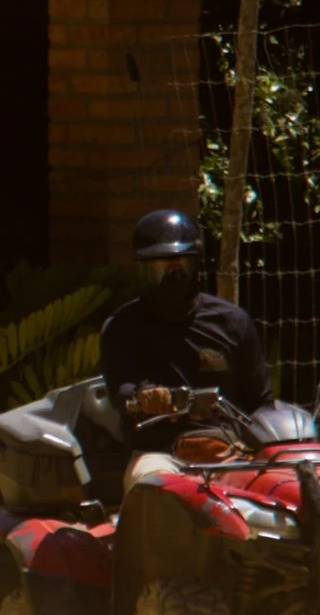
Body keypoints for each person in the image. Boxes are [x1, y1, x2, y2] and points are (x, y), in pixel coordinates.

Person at [98, 208, 272, 487]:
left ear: (197, 265)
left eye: (181, 265)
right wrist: (144, 397)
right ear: (143, 270)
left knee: (269, 492)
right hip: (159, 454)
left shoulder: (231, 321)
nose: (173, 275)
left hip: (228, 450)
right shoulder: (122, 326)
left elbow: (261, 401)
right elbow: (120, 390)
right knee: (150, 488)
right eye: (161, 267)